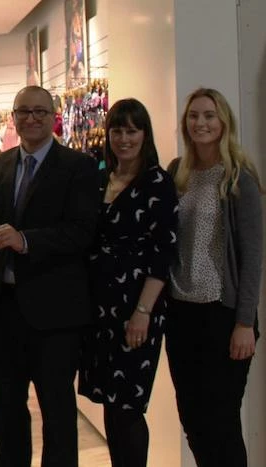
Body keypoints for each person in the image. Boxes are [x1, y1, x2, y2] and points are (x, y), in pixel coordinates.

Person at [0, 85, 98, 466]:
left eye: (40, 111)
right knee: (5, 412)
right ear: (14, 117)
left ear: (54, 116)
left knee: (57, 413)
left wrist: (26, 241)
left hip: (56, 316)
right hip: (2, 311)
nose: (32, 118)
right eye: (24, 111)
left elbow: (83, 232)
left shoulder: (79, 167)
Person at [78, 99, 178, 467]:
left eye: (132, 130)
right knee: (109, 403)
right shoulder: (101, 178)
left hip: (136, 310)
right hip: (99, 308)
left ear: (145, 135)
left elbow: (162, 254)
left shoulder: (157, 182)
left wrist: (142, 312)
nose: (124, 138)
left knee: (128, 408)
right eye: (117, 130)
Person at [165, 88, 263, 467]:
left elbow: (253, 257)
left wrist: (244, 323)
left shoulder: (239, 178)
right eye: (193, 116)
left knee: (220, 423)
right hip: (181, 315)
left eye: (209, 116)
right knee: (193, 422)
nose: (200, 123)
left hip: (223, 316)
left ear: (224, 123)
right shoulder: (178, 172)